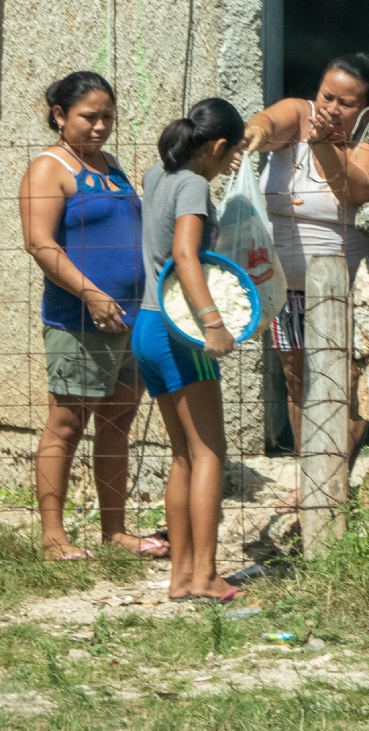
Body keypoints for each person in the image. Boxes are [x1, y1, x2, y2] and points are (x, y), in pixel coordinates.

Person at [18, 71, 166, 562]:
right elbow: (40, 243)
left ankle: (115, 530)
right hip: (80, 320)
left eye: (107, 116)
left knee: (117, 423)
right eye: (89, 117)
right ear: (60, 115)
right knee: (66, 423)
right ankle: (53, 537)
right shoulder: (50, 168)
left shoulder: (111, 166)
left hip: (131, 320)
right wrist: (92, 295)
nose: (101, 126)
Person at [241, 53, 369, 482]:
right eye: (327, 96)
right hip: (286, 289)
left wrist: (323, 145)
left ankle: (333, 478)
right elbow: (266, 122)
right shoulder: (301, 117)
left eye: (347, 103)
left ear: (367, 110)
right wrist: (251, 139)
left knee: (349, 383)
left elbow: (354, 192)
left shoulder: (368, 144)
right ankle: (310, 480)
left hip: (345, 290)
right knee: (297, 379)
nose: (332, 109)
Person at [132, 98, 247, 602]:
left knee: (183, 455)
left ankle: (181, 576)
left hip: (146, 326)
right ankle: (204, 575)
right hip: (180, 332)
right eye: (229, 156)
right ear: (218, 146)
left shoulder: (159, 173)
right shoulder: (195, 184)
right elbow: (184, 253)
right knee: (209, 453)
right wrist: (213, 322)